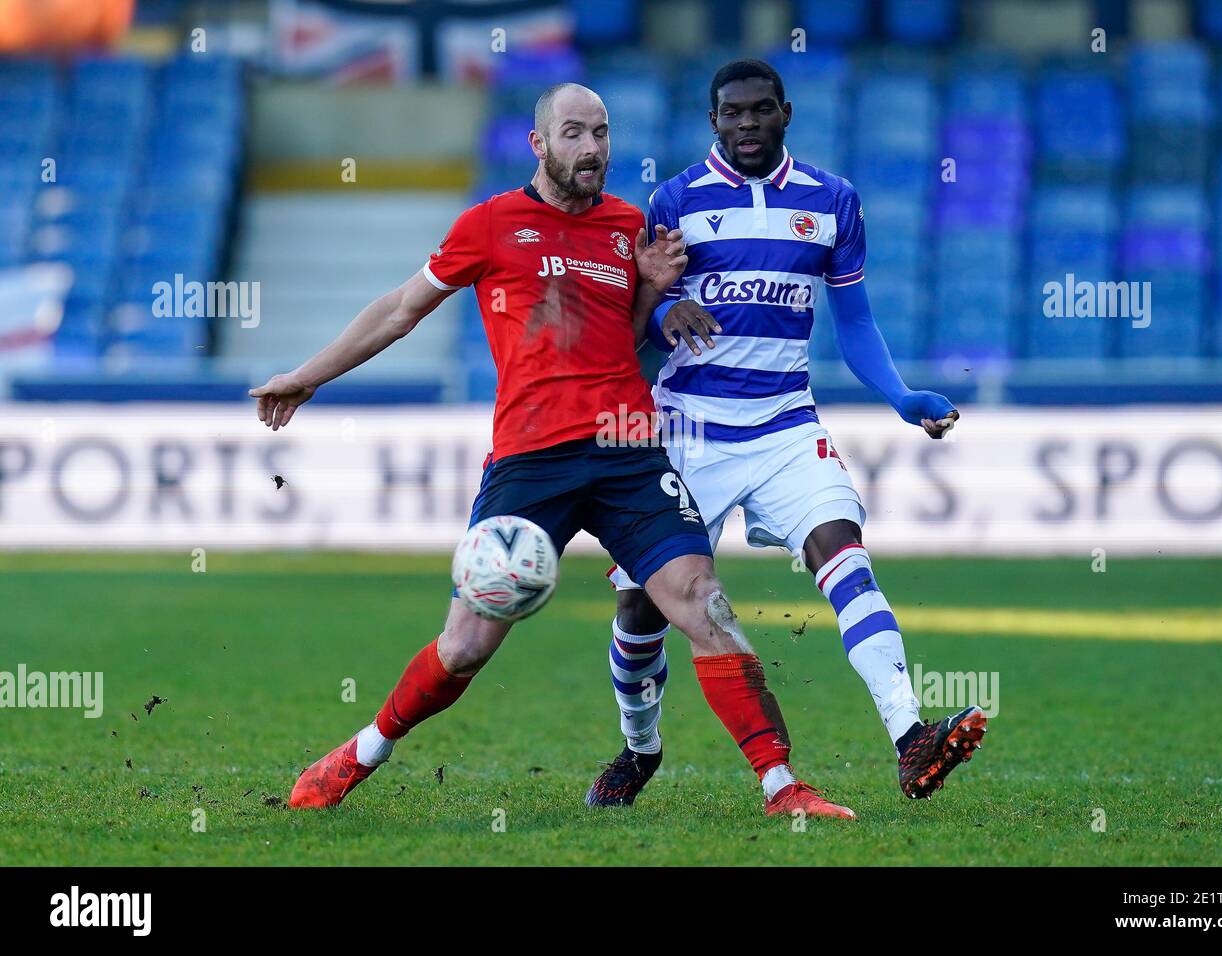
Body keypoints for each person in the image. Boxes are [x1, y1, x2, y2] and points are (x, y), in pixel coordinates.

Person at [250, 82, 855, 819]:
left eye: (601, 132)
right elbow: (401, 309)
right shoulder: (491, 223)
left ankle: (782, 786)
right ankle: (362, 750)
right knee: (466, 645)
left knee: (706, 604)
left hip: (627, 449)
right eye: (574, 134)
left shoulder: (627, 226)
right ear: (539, 145)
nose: (593, 148)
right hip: (531, 459)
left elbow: (628, 337)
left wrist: (652, 290)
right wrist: (308, 376)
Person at [584, 61, 985, 809]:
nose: (746, 124)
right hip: (687, 431)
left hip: (784, 424)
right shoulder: (672, 203)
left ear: (785, 113)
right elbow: (625, 324)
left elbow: (856, 323)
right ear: (713, 121)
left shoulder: (832, 203)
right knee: (642, 609)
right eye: (731, 113)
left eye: (760, 111)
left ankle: (911, 739)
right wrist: (663, 311)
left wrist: (900, 396)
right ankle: (640, 751)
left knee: (845, 553)